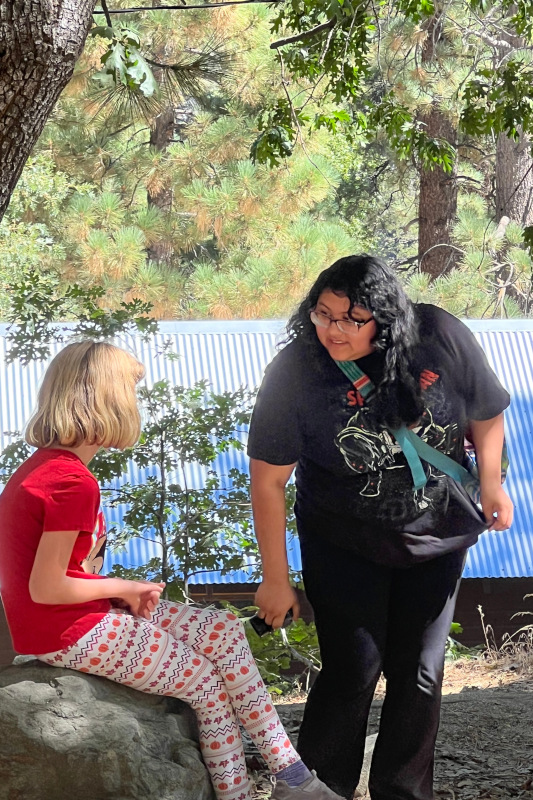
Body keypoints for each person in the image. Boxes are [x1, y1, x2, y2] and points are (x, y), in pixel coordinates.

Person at [0, 340, 344, 800]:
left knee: (222, 629)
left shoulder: (47, 468)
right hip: (67, 629)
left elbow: (58, 575)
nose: (134, 404)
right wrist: (126, 585)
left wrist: (116, 591)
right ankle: (246, 792)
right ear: (108, 399)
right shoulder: (69, 481)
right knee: (204, 681)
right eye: (130, 392)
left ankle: (293, 776)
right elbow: (46, 587)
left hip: (80, 616)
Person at [247, 255, 514, 800]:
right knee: (353, 671)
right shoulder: (298, 370)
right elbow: (268, 481)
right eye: (324, 315)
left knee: (420, 674)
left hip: (435, 536)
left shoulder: (439, 334)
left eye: (352, 319)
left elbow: (486, 410)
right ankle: (320, 789)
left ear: (386, 321)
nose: (334, 330)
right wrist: (275, 578)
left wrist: (492, 481)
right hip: (344, 540)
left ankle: (404, 791)